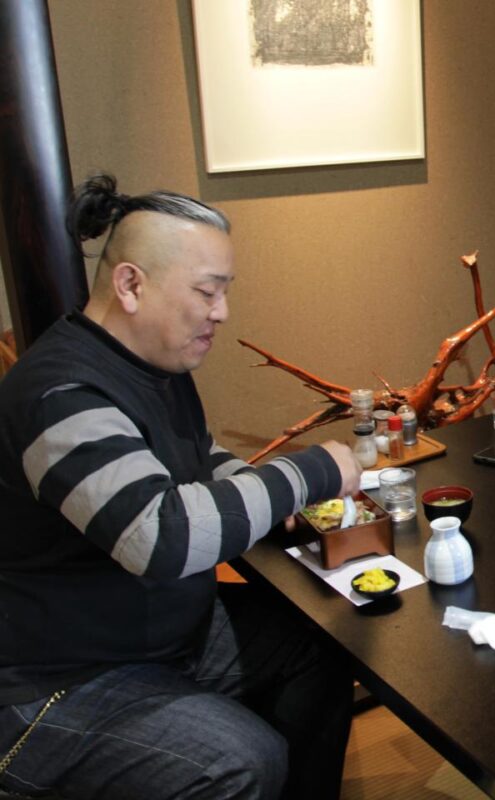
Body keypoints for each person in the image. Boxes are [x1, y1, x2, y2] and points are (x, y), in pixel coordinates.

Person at [0, 175, 362, 799]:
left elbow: (195, 459)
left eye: (224, 292)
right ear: (131, 284)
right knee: (240, 759)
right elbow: (160, 535)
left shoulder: (154, 364)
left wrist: (268, 497)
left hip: (152, 632)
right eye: (206, 291)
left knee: (324, 645)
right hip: (53, 681)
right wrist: (312, 473)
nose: (221, 311)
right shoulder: (60, 393)